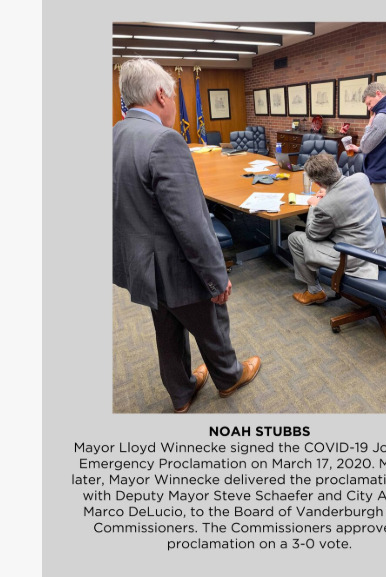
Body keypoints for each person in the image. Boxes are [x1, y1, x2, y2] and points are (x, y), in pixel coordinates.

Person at [113, 59, 260, 413]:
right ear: (161, 94)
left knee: (167, 330)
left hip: (141, 264)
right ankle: (228, 377)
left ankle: (181, 393)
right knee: (211, 322)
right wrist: (216, 277)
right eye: (175, 96)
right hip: (176, 265)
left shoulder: (114, 135)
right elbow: (192, 222)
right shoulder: (165, 140)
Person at [287, 154, 386, 305]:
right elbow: (346, 194)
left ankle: (314, 292)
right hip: (378, 250)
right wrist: (329, 193)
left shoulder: (324, 207)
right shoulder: (362, 178)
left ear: (317, 182)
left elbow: (313, 235)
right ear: (336, 167)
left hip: (357, 257)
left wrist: (314, 207)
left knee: (295, 238)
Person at [345, 82, 386, 246]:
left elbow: (367, 145)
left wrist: (369, 124)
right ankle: (381, 245)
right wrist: (359, 149)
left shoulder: (383, 116)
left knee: (381, 212)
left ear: (378, 94)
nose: (369, 108)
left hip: (381, 172)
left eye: (369, 103)